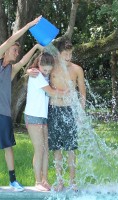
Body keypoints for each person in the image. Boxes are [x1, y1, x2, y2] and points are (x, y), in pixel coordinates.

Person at [0, 15, 43, 192]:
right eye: (14, 50)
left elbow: (23, 62)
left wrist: (37, 47)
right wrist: (30, 24)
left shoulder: (12, 70)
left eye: (17, 51)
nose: (16, 52)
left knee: (7, 146)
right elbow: (12, 39)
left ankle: (13, 180)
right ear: (6, 50)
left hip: (4, 113)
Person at [27, 38, 86, 191]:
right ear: (58, 55)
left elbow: (82, 93)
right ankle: (60, 181)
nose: (68, 57)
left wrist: (81, 113)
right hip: (53, 110)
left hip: (69, 111)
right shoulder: (51, 67)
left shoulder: (77, 69)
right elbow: (38, 70)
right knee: (56, 149)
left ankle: (73, 181)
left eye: (70, 54)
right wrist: (28, 71)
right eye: (65, 54)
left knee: (71, 149)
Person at [24, 52, 67, 191]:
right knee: (39, 150)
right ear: (39, 65)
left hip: (43, 117)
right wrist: (67, 92)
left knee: (45, 149)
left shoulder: (43, 75)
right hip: (33, 116)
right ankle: (37, 182)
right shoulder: (37, 76)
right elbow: (51, 92)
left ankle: (45, 180)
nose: (47, 72)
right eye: (44, 69)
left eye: (49, 70)